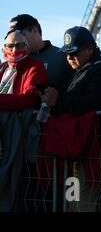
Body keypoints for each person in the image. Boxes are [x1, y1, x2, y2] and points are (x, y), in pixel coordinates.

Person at [39, 26, 101, 212]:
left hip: (92, 149)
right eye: (66, 54)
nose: (69, 58)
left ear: (89, 48)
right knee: (72, 201)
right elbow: (63, 93)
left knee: (82, 204)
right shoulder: (72, 69)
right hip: (73, 149)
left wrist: (58, 100)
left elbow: (92, 102)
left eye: (74, 53)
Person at [0, 30, 47, 211]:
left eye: (19, 45)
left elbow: (27, 99)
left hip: (20, 134)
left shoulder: (35, 67)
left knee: (16, 185)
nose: (14, 49)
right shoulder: (2, 68)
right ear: (4, 48)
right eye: (10, 45)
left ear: (27, 47)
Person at [8, 14, 71, 91]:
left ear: (34, 31)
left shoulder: (63, 57)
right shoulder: (14, 62)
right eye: (12, 35)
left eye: (20, 34)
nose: (17, 39)